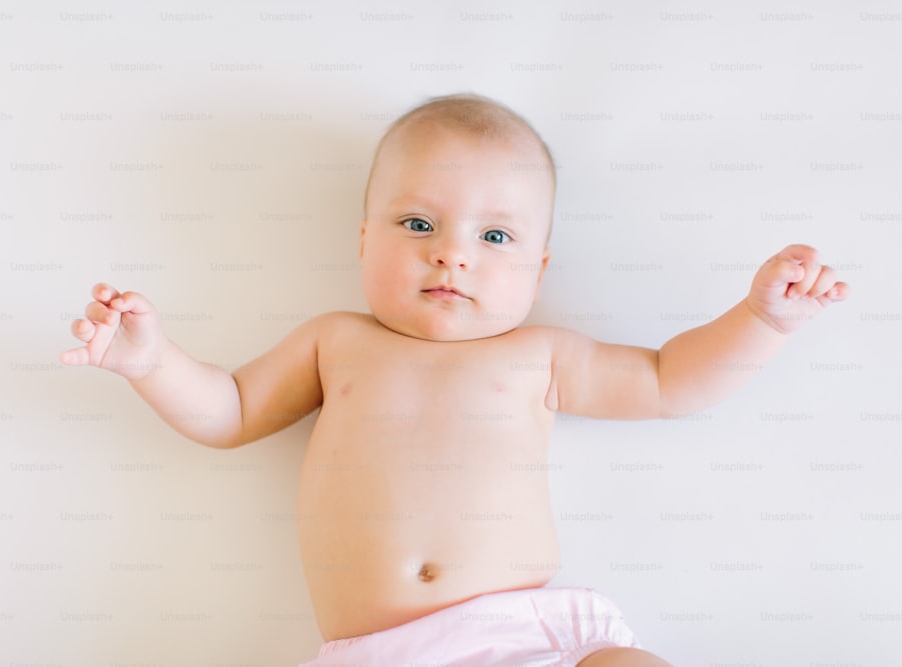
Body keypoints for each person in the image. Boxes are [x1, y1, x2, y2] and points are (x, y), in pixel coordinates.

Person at [61, 93, 848, 666]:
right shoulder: (336, 343)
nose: (452, 253)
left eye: (494, 234)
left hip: (521, 637)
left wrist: (761, 320)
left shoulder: (538, 356)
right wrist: (152, 361)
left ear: (538, 270)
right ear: (363, 237)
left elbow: (669, 379)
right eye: (417, 224)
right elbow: (229, 412)